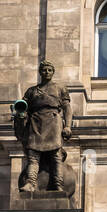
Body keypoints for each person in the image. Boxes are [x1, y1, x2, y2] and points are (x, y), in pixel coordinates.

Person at [14, 60, 72, 193]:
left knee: (56, 156)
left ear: (53, 72)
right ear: (40, 72)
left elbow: (67, 108)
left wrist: (68, 126)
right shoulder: (31, 91)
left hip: (53, 122)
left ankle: (58, 184)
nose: (47, 72)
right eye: (44, 70)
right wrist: (20, 117)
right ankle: (30, 183)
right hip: (36, 123)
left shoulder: (60, 88)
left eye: (49, 70)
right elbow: (23, 108)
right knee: (33, 157)